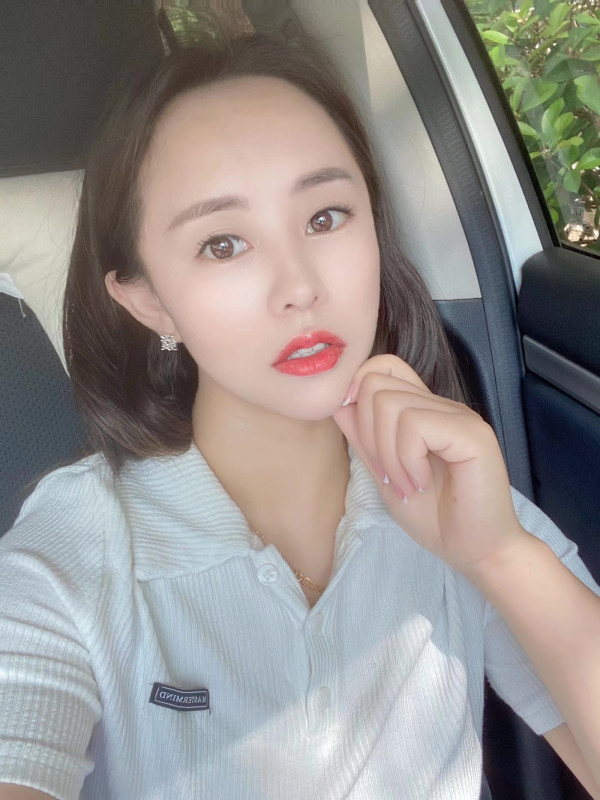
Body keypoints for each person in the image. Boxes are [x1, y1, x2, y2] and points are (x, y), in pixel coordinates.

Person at [0, 29, 599, 800]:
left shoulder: (457, 498)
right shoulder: (71, 554)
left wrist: (502, 557)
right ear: (149, 301)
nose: (299, 286)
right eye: (223, 244)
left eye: (325, 217)